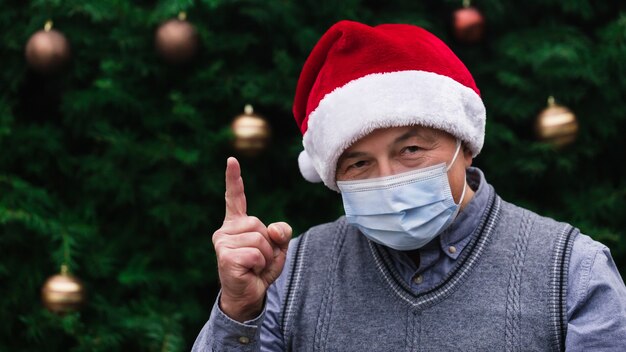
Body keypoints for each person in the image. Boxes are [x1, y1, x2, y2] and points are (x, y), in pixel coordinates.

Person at [192, 20, 626, 351]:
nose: (390, 178)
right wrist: (239, 311)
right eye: (359, 163)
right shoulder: (290, 275)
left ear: (466, 146)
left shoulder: (570, 272)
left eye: (412, 149)